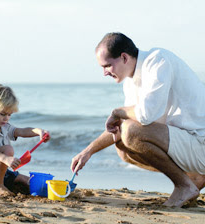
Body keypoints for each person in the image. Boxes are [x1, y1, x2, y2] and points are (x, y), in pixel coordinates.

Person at [70, 32, 205, 207]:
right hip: (189, 144)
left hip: (200, 142)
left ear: (124, 57)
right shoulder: (130, 81)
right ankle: (194, 178)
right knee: (123, 147)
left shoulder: (158, 61)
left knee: (131, 132)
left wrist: (118, 112)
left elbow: (145, 115)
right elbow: (121, 127)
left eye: (107, 66)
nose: (104, 73)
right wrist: (87, 152)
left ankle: (184, 185)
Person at [0, 84, 50, 195]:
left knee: (24, 180)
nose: (6, 118)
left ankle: (6, 181)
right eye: (2, 114)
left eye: (9, 115)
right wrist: (5, 158)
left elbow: (21, 131)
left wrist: (38, 131)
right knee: (8, 149)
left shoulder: (4, 126)